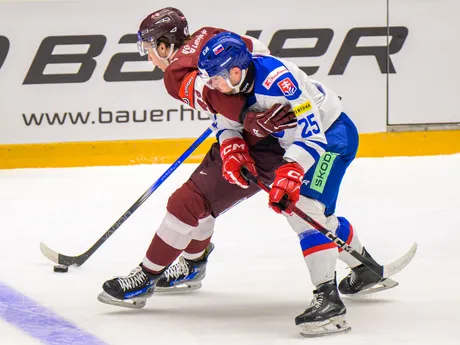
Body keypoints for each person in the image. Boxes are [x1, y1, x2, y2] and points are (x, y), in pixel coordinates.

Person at [197, 32, 400, 337]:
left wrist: (290, 172)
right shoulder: (226, 86)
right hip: (303, 145)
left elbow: (313, 134)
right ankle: (366, 270)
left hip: (333, 137)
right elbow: (226, 124)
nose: (212, 86)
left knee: (304, 208)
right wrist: (233, 148)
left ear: (236, 70)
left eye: (217, 79)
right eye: (209, 80)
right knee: (318, 217)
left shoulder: (281, 80)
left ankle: (329, 302)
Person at [98, 8, 296, 307]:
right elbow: (260, 51)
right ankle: (192, 266)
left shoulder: (175, 74)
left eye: (150, 49)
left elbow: (215, 96)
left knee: (186, 203)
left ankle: (145, 278)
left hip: (264, 145)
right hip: (252, 136)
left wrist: (246, 115)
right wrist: (245, 113)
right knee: (197, 203)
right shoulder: (209, 33)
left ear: (164, 45)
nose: (150, 57)